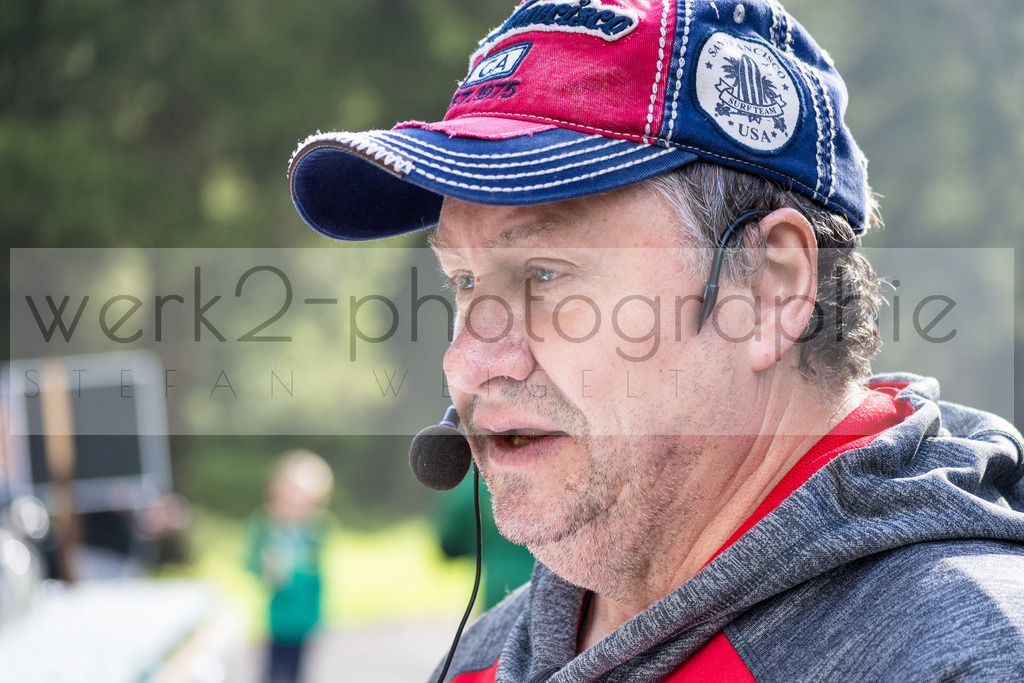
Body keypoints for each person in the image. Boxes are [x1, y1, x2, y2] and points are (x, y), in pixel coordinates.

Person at [287, 1, 1024, 680]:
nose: (469, 362)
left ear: (768, 290)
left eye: (544, 274)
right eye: (465, 282)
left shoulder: (965, 655)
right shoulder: (481, 657)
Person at [245, 450, 333, 683]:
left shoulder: (316, 529)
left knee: (298, 674)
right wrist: (267, 568)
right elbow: (251, 563)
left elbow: (318, 580)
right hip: (276, 622)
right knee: (273, 673)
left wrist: (319, 622)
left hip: (304, 622)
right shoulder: (265, 524)